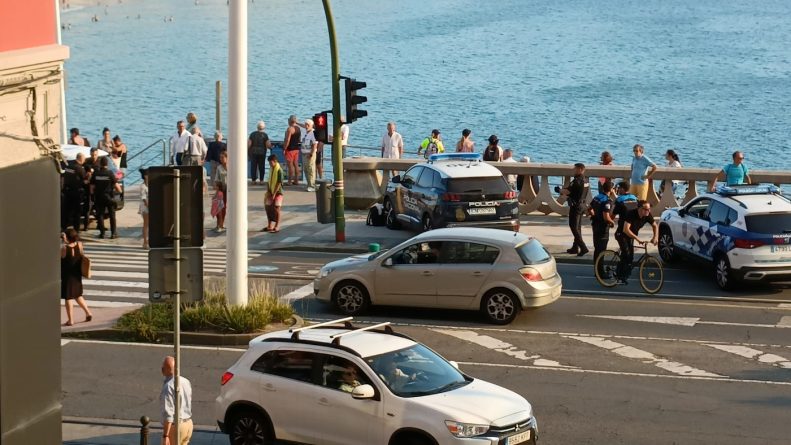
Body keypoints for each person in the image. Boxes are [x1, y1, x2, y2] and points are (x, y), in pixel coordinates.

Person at [615, 200, 658, 285]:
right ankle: (618, 275)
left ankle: (624, 274)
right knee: (626, 254)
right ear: (639, 208)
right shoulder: (631, 214)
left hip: (631, 236)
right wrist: (638, 239)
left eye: (649, 209)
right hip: (621, 234)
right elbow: (625, 229)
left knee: (630, 258)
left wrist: (655, 237)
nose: (648, 211)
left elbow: (655, 225)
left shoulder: (647, 215)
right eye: (646, 209)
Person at [61, 229, 93, 326]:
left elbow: (60, 258)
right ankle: (88, 312)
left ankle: (70, 320)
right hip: (77, 274)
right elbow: (81, 255)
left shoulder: (64, 248)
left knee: (68, 297)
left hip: (67, 275)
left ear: (66, 237)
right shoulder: (79, 245)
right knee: (78, 295)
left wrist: (63, 241)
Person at [159, 356, 193, 445]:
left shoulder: (168, 387)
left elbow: (168, 414)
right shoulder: (186, 381)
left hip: (177, 427)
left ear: (163, 370)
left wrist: (165, 436)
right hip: (188, 424)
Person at [559, 163, 590, 256]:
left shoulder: (577, 180)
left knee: (573, 227)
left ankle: (583, 247)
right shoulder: (586, 180)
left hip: (576, 206)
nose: (574, 170)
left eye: (575, 169)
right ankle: (575, 247)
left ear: (580, 169)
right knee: (578, 227)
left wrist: (559, 190)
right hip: (582, 204)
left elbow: (568, 191)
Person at [90, 156, 122, 239]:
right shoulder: (110, 173)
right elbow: (117, 186)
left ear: (100, 164)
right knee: (112, 215)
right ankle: (113, 233)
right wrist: (120, 192)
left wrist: (93, 196)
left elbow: (92, 187)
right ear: (107, 164)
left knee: (100, 215)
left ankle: (102, 233)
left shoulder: (96, 173)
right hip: (109, 197)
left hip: (99, 197)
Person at [589, 180, 615, 276]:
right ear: (611, 190)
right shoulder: (607, 200)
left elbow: (589, 208)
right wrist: (612, 223)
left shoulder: (597, 197)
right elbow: (606, 216)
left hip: (595, 225)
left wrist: (594, 215)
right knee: (601, 250)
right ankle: (600, 272)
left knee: (597, 249)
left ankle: (596, 270)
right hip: (602, 227)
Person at [61, 154, 87, 232]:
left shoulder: (68, 167)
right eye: (84, 160)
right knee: (77, 212)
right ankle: (76, 229)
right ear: (81, 159)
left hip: (67, 191)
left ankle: (64, 227)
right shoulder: (79, 168)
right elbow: (85, 180)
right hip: (76, 193)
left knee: (66, 210)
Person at [263, 154, 284, 233]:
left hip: (278, 192)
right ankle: (270, 225)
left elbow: (279, 183)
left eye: (271, 163)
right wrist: (268, 190)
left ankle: (277, 225)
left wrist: (274, 193)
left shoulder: (279, 170)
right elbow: (269, 180)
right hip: (271, 191)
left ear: (275, 161)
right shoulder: (271, 169)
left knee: (276, 207)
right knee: (268, 207)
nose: (270, 164)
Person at [283, 115, 302, 185]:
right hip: (296, 149)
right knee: (296, 165)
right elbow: (299, 139)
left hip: (290, 149)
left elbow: (287, 140)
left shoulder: (290, 129)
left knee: (290, 165)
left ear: (289, 121)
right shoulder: (298, 128)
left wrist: (284, 148)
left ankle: (289, 181)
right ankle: (296, 180)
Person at [300, 118, 318, 192]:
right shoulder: (305, 131)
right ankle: (308, 184)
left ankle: (312, 185)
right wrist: (296, 122)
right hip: (304, 153)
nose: (306, 126)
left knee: (310, 169)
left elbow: (314, 144)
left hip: (309, 154)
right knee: (305, 169)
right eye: (306, 124)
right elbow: (301, 126)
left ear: (311, 126)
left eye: (308, 125)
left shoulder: (313, 133)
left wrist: (311, 154)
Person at [214, 151, 228, 232]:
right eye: (220, 157)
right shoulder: (219, 168)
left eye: (223, 157)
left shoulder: (231, 167)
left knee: (224, 207)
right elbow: (216, 179)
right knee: (219, 206)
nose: (221, 159)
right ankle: (219, 224)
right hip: (221, 188)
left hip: (229, 190)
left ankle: (221, 224)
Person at [139, 168, 149, 248]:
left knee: (149, 224)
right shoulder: (143, 186)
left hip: (149, 206)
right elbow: (144, 198)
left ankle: (147, 241)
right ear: (145, 176)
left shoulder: (149, 184)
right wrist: (149, 206)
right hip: (145, 207)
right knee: (146, 224)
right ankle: (145, 242)